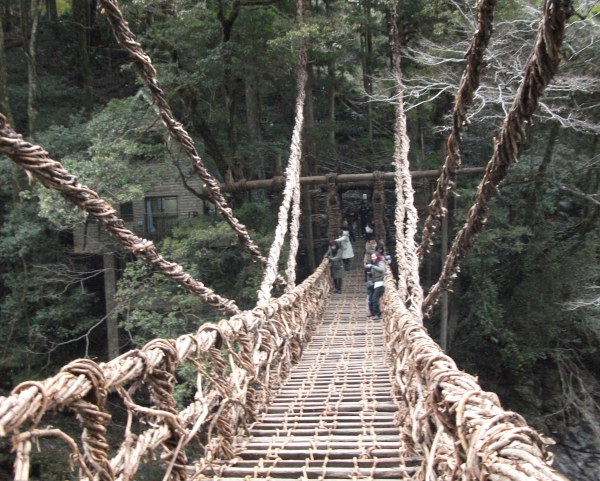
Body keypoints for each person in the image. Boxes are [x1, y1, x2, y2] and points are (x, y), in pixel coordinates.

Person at [365, 252, 386, 320]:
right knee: (370, 297)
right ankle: (372, 311)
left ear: (377, 257)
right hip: (374, 282)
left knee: (375, 298)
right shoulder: (373, 263)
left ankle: (378, 313)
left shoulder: (380, 262)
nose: (373, 258)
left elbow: (382, 270)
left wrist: (372, 266)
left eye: (374, 257)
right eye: (372, 257)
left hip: (380, 282)